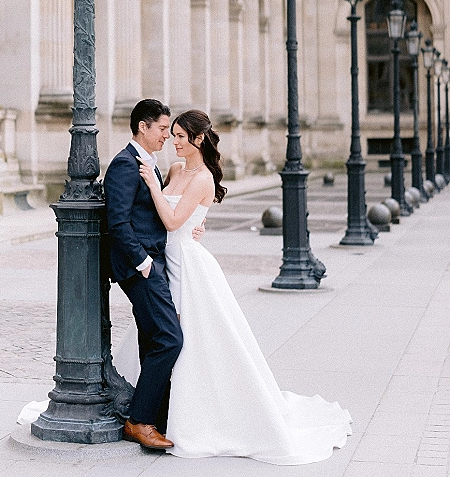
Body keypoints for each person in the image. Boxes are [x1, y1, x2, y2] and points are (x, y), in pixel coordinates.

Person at [133, 109, 352, 463]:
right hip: (165, 260)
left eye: (180, 137)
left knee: (193, 338)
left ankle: (190, 414)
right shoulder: (174, 170)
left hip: (188, 263)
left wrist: (154, 188)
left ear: (198, 140)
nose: (173, 142)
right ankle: (154, 406)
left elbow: (173, 221)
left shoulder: (203, 178)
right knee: (163, 332)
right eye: (171, 135)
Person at [104, 99, 187, 451]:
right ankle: (139, 421)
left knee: (152, 339)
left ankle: (155, 414)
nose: (166, 136)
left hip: (155, 261)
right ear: (143, 126)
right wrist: (142, 262)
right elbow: (118, 221)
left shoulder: (148, 164)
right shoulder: (125, 165)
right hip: (141, 267)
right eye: (162, 129)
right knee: (170, 339)